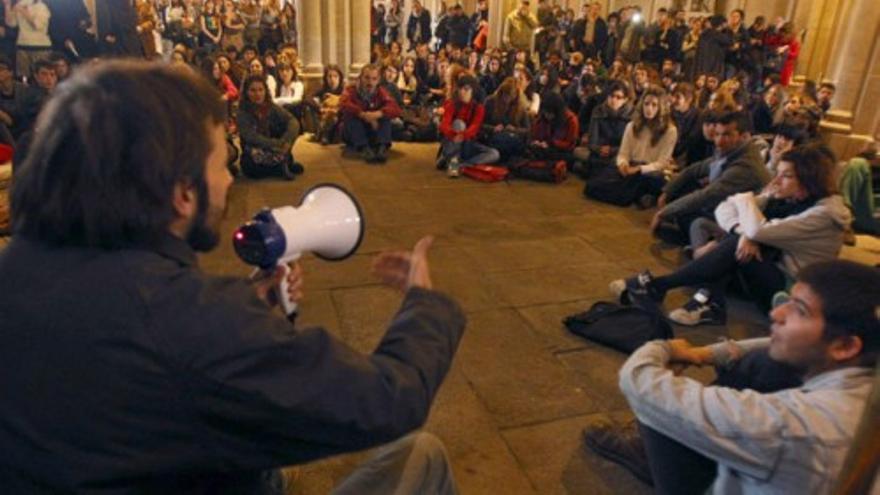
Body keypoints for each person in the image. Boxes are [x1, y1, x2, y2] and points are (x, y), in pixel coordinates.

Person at [1, 60, 465, 493]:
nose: (226, 183)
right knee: (421, 456)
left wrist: (247, 315)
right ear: (182, 192)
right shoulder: (191, 320)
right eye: (221, 165)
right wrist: (424, 305)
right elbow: (387, 399)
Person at [587, 259, 878, 494]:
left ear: (845, 346)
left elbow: (639, 383)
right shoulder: (865, 375)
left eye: (799, 310)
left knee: (663, 408)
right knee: (764, 360)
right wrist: (709, 353)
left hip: (791, 455)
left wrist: (663, 348)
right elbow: (769, 345)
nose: (777, 313)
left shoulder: (795, 428)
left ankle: (650, 458)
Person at [614, 144, 851, 325]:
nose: (776, 181)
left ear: (808, 179)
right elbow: (724, 207)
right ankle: (708, 299)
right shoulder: (790, 198)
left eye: (786, 176)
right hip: (764, 266)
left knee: (736, 243)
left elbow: (757, 228)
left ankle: (662, 285)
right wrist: (744, 230)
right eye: (778, 173)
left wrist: (746, 203)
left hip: (791, 291)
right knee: (732, 239)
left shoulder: (822, 215)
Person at [649, 111, 770, 245]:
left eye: (727, 135)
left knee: (688, 212)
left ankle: (701, 242)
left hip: (735, 220)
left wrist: (664, 212)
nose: (718, 141)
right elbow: (694, 170)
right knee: (678, 188)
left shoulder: (745, 166)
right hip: (718, 204)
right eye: (717, 134)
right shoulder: (732, 152)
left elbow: (707, 195)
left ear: (744, 136)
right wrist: (667, 192)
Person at [586, 85, 677, 208]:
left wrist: (639, 169)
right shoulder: (632, 125)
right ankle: (640, 197)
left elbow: (662, 163)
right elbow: (623, 153)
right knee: (591, 187)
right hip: (631, 166)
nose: (649, 108)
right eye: (646, 104)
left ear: (661, 107)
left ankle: (639, 196)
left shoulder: (670, 130)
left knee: (636, 187)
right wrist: (623, 164)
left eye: (654, 105)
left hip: (649, 171)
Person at [237, 75, 303, 180]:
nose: (257, 94)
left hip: (277, 148)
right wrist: (276, 144)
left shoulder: (271, 107)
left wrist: (285, 140)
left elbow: (292, 121)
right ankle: (280, 167)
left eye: (260, 90)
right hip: (255, 151)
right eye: (253, 90)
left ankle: (281, 164)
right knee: (250, 169)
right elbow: (251, 137)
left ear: (265, 91)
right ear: (246, 93)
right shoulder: (242, 112)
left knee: (284, 126)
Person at [436, 74, 499, 178]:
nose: (462, 92)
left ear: (473, 91)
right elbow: (444, 124)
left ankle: (460, 165)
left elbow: (475, 127)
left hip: (468, 142)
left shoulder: (478, 107)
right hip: (452, 141)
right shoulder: (452, 104)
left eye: (466, 89)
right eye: (460, 89)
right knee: (459, 123)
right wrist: (454, 134)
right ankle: (453, 160)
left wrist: (462, 135)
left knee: (494, 154)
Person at [339, 64, 401, 164]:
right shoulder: (351, 90)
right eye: (367, 78)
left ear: (378, 80)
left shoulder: (381, 91)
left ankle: (382, 148)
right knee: (351, 118)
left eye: (374, 79)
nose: (370, 82)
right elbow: (344, 104)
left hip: (372, 129)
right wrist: (362, 114)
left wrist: (378, 114)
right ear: (361, 78)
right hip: (353, 132)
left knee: (385, 117)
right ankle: (364, 148)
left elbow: (395, 108)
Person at [578, 79, 633, 177]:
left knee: (618, 163)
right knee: (578, 152)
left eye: (618, 97)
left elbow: (630, 145)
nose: (614, 100)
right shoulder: (598, 110)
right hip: (599, 152)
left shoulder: (631, 115)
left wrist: (612, 150)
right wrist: (599, 149)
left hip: (619, 153)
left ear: (625, 100)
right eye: (611, 96)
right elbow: (592, 140)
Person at [480, 76, 530, 163]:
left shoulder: (520, 107)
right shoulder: (490, 102)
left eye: (510, 97)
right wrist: (493, 128)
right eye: (505, 95)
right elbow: (480, 124)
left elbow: (527, 129)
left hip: (513, 138)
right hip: (493, 137)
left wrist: (515, 130)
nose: (507, 100)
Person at [3, 0, 52, 80]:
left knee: (42, 77)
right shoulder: (19, 5)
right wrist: (7, 6)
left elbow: (38, 25)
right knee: (23, 77)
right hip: (22, 45)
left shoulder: (41, 6)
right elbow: (11, 23)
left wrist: (23, 11)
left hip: (40, 47)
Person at [527, 91, 578, 163]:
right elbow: (535, 133)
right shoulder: (543, 117)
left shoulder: (571, 120)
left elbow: (570, 144)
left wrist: (551, 143)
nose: (547, 115)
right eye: (545, 112)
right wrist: (537, 142)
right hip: (544, 147)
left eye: (549, 113)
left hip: (561, 151)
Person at [693, 15, 732, 81]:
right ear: (722, 24)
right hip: (713, 63)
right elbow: (729, 41)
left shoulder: (704, 34)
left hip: (701, 63)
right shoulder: (718, 35)